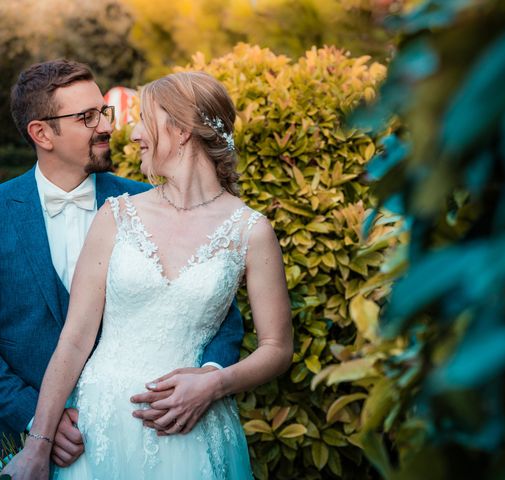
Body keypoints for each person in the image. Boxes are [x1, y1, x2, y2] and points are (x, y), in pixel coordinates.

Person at [1, 70, 292, 479]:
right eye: (89, 117)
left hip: (189, 428)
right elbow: (74, 337)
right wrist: (39, 436)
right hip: (97, 424)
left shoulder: (249, 230)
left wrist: (213, 382)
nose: (121, 130)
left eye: (138, 118)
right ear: (42, 134)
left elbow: (248, 334)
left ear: (183, 131)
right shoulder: (120, 214)